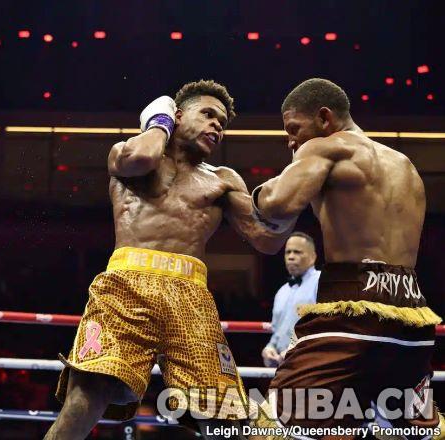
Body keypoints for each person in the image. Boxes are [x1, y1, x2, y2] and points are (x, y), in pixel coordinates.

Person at [45, 80, 292, 440]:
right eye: (207, 114)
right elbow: (144, 157)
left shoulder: (223, 180)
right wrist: (159, 121)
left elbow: (266, 240)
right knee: (88, 396)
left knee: (221, 411)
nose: (216, 126)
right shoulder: (128, 154)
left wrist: (294, 194)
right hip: (126, 287)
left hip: (191, 298)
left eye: (222, 123)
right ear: (177, 116)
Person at [251, 78, 442, 438]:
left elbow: (278, 204)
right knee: (407, 429)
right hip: (413, 319)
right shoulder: (406, 165)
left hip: (353, 312)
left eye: (294, 129)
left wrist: (262, 191)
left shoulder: (326, 147)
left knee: (275, 421)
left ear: (324, 118)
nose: (290, 141)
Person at [261, 232, 320, 367]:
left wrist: (296, 350)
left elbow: (326, 328)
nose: (291, 257)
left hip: (310, 365)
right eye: (288, 252)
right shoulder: (282, 292)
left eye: (297, 252)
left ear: (312, 257)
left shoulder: (322, 283)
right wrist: (270, 348)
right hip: (283, 366)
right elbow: (277, 333)